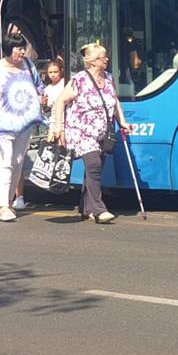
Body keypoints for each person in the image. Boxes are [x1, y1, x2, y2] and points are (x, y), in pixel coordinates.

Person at [49, 43, 130, 224]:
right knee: (93, 164)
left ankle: (86, 207)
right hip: (80, 130)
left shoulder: (109, 78)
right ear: (93, 62)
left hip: (101, 131)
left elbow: (114, 101)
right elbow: (61, 101)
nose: (107, 60)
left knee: (96, 167)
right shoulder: (80, 80)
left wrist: (122, 121)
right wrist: (58, 128)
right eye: (103, 57)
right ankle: (99, 209)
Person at [0, 32, 44, 221]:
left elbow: (39, 87)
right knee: (3, 164)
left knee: (16, 164)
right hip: (0, 126)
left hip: (24, 125)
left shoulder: (29, 66)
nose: (22, 52)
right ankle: (3, 206)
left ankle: (7, 201)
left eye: (23, 48)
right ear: (8, 50)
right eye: (18, 49)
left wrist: (43, 98)